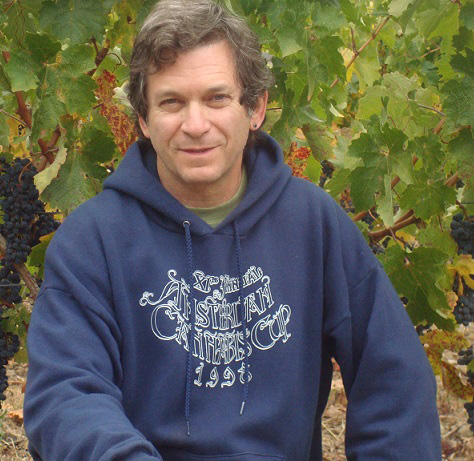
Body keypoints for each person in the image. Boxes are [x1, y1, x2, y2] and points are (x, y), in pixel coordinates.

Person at [24, 0, 442, 459]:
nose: (195, 125)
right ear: (143, 119)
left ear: (255, 107)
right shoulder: (90, 241)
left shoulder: (314, 223)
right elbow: (65, 396)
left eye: (216, 98)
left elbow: (396, 381)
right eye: (171, 102)